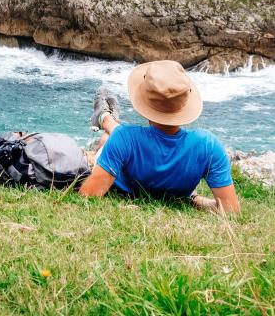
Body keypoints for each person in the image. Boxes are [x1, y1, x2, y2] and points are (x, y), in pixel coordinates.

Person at [79, 60, 240, 214]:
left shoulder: (124, 137)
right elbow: (231, 211)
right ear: (185, 103)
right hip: (179, 194)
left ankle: (104, 117)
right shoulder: (208, 145)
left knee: (107, 139)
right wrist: (199, 201)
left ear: (145, 102)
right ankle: (105, 117)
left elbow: (88, 195)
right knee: (118, 135)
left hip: (122, 176)